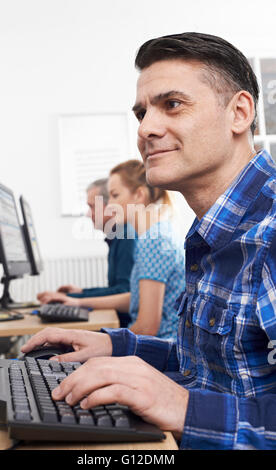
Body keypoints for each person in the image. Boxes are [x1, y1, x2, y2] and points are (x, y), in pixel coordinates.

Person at [21, 32, 276, 449]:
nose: (146, 129)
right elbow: (215, 368)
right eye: (141, 113)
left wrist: (183, 406)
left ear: (240, 112)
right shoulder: (212, 232)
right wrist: (117, 346)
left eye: (172, 104)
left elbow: (195, 392)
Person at [39, 159, 185, 339]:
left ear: (139, 195)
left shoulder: (153, 241)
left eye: (115, 195)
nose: (108, 205)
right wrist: (77, 302)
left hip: (160, 349)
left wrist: (99, 341)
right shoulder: (157, 233)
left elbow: (147, 329)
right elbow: (136, 297)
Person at [37, 178, 136, 327]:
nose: (88, 215)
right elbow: (118, 289)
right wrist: (81, 291)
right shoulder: (118, 236)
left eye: (92, 207)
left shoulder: (127, 236)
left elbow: (124, 291)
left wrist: (70, 297)